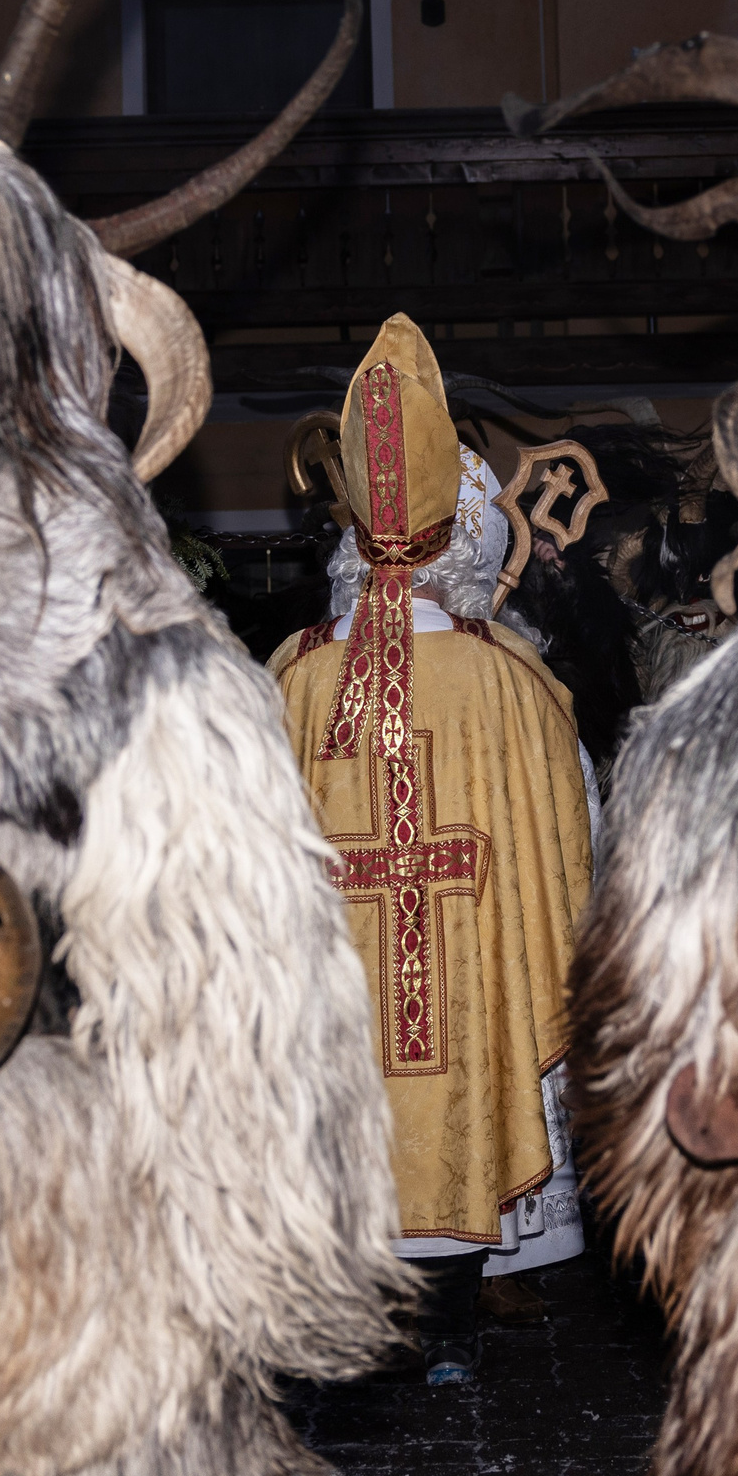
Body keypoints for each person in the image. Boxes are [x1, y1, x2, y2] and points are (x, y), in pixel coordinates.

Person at [268, 315, 595, 1382]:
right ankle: (464, 1311)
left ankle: (353, 1333)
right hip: (472, 973)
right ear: (462, 536)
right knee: (464, 1066)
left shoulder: (298, 678)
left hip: (345, 978)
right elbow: (566, 845)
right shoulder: (511, 682)